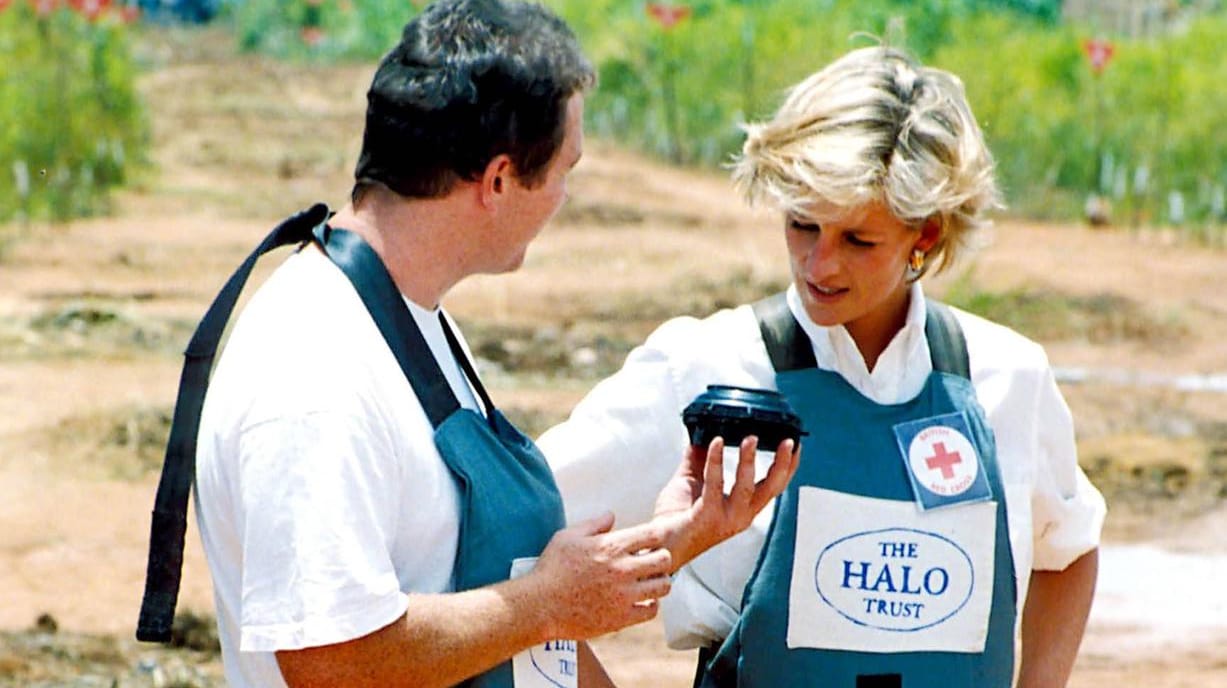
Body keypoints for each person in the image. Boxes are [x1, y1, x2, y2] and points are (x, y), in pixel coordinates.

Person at [144, 1, 798, 686]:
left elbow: (482, 593)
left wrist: (674, 540)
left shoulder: (407, 317)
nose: (564, 197)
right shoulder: (317, 373)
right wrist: (545, 604)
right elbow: (331, 659)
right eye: (562, 172)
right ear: (496, 179)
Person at [540, 45, 1106, 688]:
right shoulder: (703, 366)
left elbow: (1069, 548)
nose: (820, 265)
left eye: (858, 241)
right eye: (802, 225)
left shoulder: (1008, 377)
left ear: (924, 236)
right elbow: (509, 538)